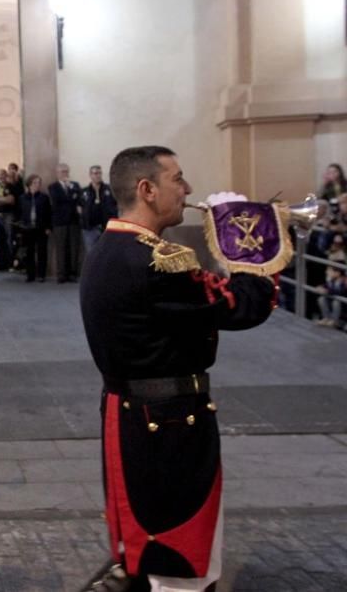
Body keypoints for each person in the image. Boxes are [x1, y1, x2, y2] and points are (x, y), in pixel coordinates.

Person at [79, 145, 278, 592]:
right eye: (178, 179)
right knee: (178, 562)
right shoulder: (153, 261)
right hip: (166, 425)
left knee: (147, 552)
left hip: (135, 415)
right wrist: (245, 236)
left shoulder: (112, 247)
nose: (188, 190)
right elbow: (244, 307)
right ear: (147, 190)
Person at [49, 162, 83, 283]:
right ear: (57, 173)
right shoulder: (53, 187)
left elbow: (79, 199)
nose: (65, 174)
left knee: (73, 248)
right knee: (61, 248)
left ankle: (73, 273)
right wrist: (71, 196)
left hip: (73, 221)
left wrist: (71, 192)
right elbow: (58, 202)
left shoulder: (75, 185)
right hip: (60, 222)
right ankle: (61, 274)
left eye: (67, 171)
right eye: (63, 172)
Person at [20, 174, 52, 283]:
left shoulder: (44, 197)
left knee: (42, 251)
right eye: (35, 183)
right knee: (29, 252)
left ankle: (41, 274)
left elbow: (49, 213)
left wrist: (48, 227)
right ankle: (30, 274)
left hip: (41, 228)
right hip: (27, 229)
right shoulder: (23, 198)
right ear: (29, 184)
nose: (37, 185)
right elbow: (20, 213)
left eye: (39, 183)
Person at [80, 165, 118, 254]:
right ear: (90, 175)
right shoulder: (84, 191)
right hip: (90, 229)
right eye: (95, 173)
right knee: (92, 254)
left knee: (107, 253)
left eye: (99, 173)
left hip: (107, 228)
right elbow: (80, 207)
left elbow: (115, 205)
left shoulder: (109, 189)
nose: (98, 175)